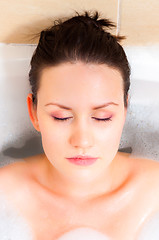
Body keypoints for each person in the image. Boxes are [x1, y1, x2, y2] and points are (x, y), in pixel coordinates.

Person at [0, 10, 159, 240]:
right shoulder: (5, 196)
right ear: (33, 113)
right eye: (61, 117)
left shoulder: (154, 193)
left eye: (102, 117)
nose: (82, 140)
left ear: (125, 110)